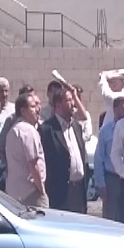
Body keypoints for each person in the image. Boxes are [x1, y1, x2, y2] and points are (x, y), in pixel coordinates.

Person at [39, 85, 89, 213]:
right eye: (68, 100)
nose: (73, 104)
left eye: (72, 99)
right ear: (58, 105)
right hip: (60, 193)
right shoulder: (47, 130)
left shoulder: (76, 127)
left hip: (79, 191)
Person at [4, 92, 46, 207]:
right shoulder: (28, 130)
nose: (37, 110)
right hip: (31, 192)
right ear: (23, 111)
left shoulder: (13, 130)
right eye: (32, 107)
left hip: (14, 192)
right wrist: (42, 190)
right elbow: (33, 164)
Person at [94, 93, 124, 221]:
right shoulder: (106, 131)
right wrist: (101, 184)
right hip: (111, 180)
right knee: (110, 218)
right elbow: (99, 159)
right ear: (115, 110)